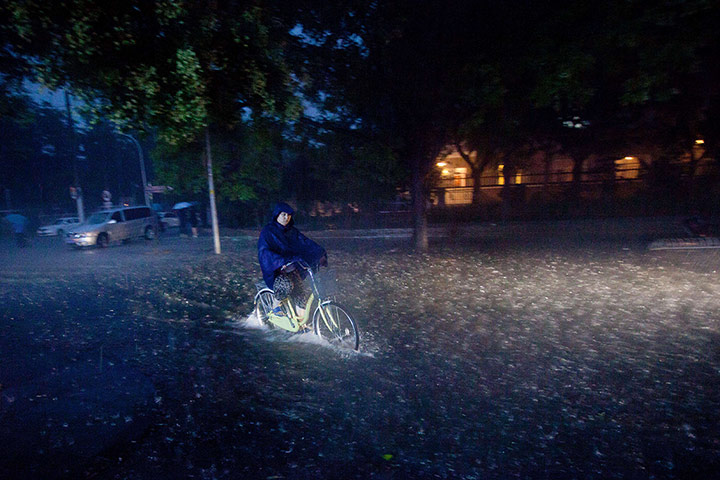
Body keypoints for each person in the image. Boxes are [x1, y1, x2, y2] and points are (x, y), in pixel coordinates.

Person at [258, 203, 326, 313]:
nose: (286, 218)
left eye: (289, 215)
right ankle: (274, 306)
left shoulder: (292, 231)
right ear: (277, 215)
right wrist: (281, 261)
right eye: (283, 215)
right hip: (276, 270)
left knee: (300, 294)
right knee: (285, 285)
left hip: (292, 267)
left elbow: (305, 243)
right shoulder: (268, 231)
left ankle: (300, 324)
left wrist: (320, 253)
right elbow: (264, 252)